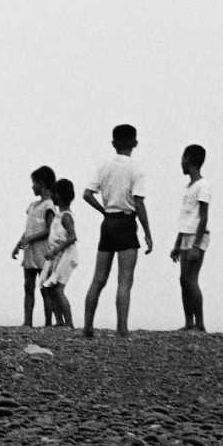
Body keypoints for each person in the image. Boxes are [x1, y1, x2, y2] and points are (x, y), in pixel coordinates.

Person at [81, 124, 154, 338]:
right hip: (126, 222)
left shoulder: (104, 166)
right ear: (135, 143)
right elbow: (139, 203)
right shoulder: (136, 169)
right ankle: (122, 328)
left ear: (113, 143)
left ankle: (87, 326)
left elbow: (87, 194)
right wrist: (148, 233)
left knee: (98, 279)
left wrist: (103, 210)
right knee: (124, 279)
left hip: (108, 222)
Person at [170, 144, 212, 332]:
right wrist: (177, 244)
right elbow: (185, 218)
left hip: (197, 236)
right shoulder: (189, 186)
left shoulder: (203, 185)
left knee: (191, 279)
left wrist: (196, 245)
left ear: (188, 160)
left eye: (182, 159)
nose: (181, 162)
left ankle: (200, 323)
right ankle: (189, 322)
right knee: (183, 279)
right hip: (186, 235)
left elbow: (203, 217)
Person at [11, 166, 57, 327]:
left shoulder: (49, 205)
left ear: (41, 184)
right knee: (28, 287)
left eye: (34, 183)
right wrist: (19, 244)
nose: (32, 186)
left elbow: (50, 229)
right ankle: (27, 321)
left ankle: (48, 323)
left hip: (43, 252)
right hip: (30, 253)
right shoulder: (32, 206)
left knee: (45, 289)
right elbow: (28, 228)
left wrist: (30, 238)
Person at [41, 178, 78, 329]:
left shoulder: (66, 216)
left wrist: (56, 249)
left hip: (66, 256)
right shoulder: (58, 215)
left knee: (58, 289)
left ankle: (69, 323)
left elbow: (73, 236)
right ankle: (59, 321)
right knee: (48, 288)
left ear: (60, 195)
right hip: (56, 257)